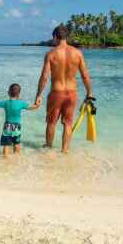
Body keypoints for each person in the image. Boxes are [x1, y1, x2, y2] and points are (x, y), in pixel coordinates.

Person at [34, 24, 92, 154]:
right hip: (71, 93)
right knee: (67, 123)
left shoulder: (50, 54)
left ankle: (48, 149)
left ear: (55, 37)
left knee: (51, 122)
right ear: (67, 36)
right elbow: (84, 75)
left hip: (56, 93)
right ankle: (64, 151)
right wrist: (89, 91)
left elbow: (44, 77)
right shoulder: (77, 53)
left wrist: (38, 95)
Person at [0, 83, 41, 156]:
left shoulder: (5, 103)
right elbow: (30, 107)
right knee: (16, 143)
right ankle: (16, 157)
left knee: (6, 144)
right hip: (17, 127)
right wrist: (37, 105)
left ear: (8, 93)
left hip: (7, 126)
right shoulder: (20, 103)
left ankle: (5, 158)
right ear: (19, 94)